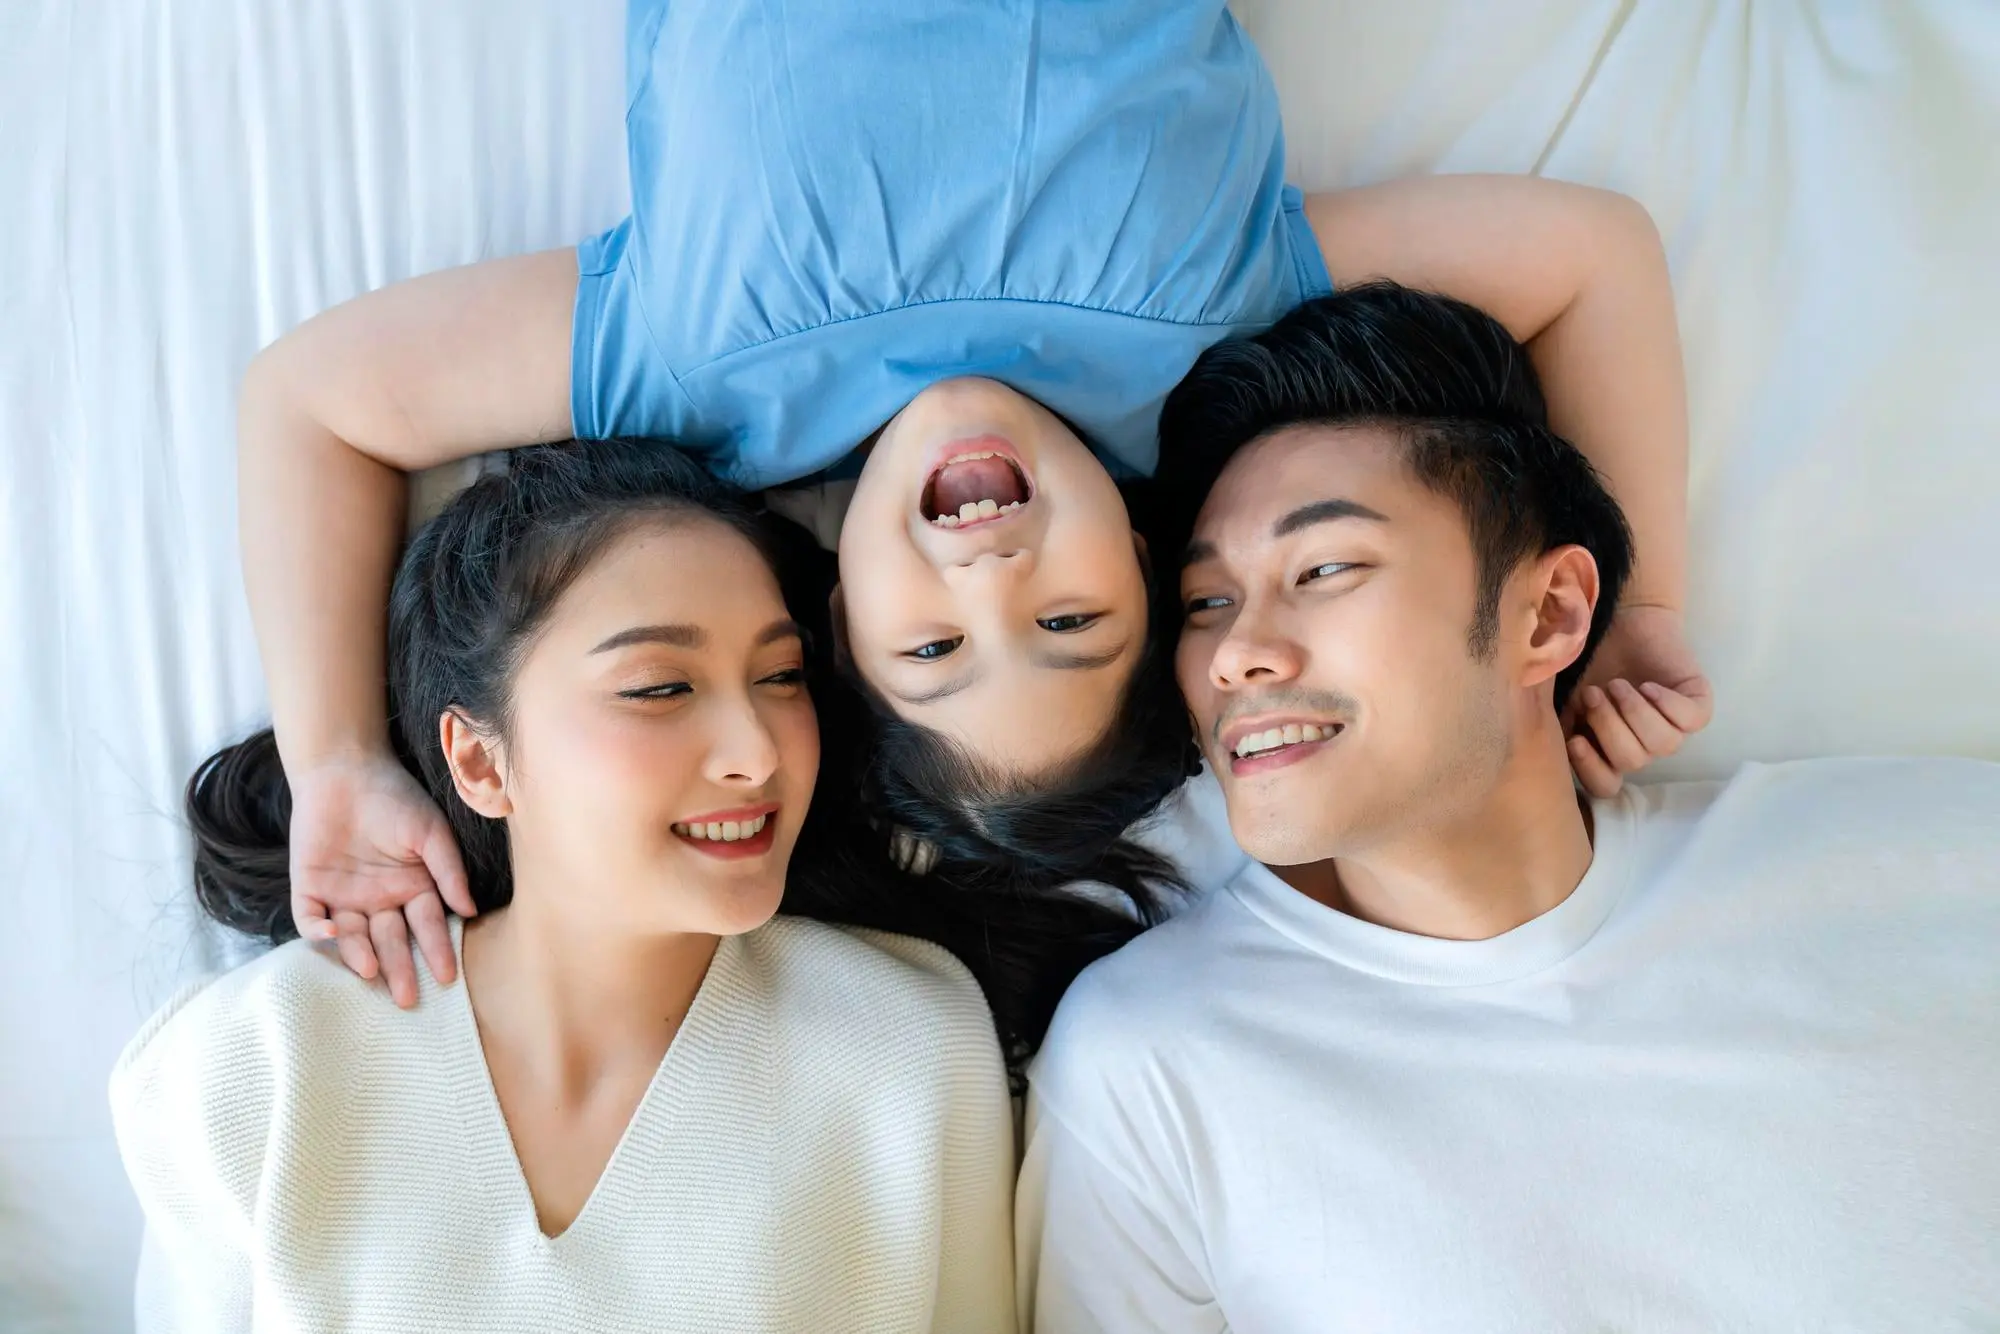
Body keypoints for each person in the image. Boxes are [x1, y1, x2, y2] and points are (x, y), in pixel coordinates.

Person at [243, 0, 1708, 998]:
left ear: (827, 619)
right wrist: (1639, 611)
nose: (993, 571)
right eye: (1073, 616)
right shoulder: (1227, 332)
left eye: (932, 647)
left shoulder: (691, 374)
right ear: (1154, 558)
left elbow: (314, 402)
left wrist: (338, 760)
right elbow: (1590, 257)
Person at [1016, 285, 2000, 1331]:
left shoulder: (1922, 858)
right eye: (1207, 602)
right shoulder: (1153, 1063)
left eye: (1324, 566)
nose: (1234, 653)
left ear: (1549, 613)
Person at [113, 442, 1031, 1332]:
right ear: (479, 760)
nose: (757, 753)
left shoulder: (908, 1048)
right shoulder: (255, 1067)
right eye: (660, 688)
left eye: (780, 677)